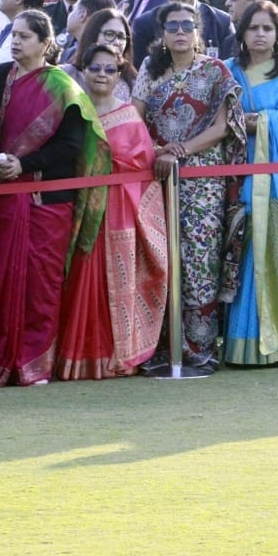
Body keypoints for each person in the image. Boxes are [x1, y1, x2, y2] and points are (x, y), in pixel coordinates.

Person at [0, 10, 110, 387]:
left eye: (25, 36)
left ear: (46, 44)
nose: (15, 41)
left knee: (40, 285)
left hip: (47, 201)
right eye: (13, 34)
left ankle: (34, 364)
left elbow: (71, 145)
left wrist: (23, 164)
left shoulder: (64, 87)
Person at [133, 2, 245, 375]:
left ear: (198, 32)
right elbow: (134, 119)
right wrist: (158, 151)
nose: (180, 32)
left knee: (200, 261)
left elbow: (223, 127)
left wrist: (180, 150)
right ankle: (162, 350)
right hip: (157, 174)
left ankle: (200, 350)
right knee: (161, 259)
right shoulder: (150, 70)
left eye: (187, 25)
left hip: (203, 179)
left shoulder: (215, 70)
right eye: (172, 26)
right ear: (162, 34)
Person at [57, 43, 166, 379]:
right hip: (80, 210)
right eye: (95, 68)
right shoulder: (74, 111)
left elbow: (144, 170)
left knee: (115, 283)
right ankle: (79, 357)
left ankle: (115, 354)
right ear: (83, 71)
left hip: (119, 212)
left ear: (119, 75)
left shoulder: (129, 116)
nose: (102, 75)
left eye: (110, 69)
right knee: (80, 278)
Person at [224, 1, 278, 365]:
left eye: (267, 28)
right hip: (233, 175)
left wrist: (248, 119)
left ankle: (272, 345)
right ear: (242, 33)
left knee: (269, 254)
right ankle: (233, 343)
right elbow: (218, 116)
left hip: (275, 181)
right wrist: (249, 119)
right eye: (253, 27)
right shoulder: (227, 70)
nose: (260, 34)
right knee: (237, 255)